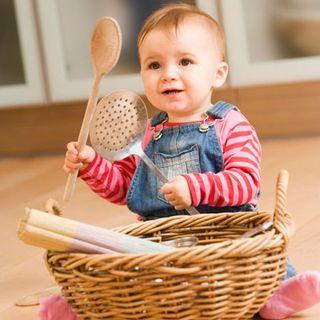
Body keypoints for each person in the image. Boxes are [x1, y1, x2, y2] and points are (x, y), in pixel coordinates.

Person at [40, 4, 320, 320]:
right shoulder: (146, 135)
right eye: (154, 65)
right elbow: (124, 189)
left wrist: (195, 187)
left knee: (262, 249)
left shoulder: (230, 125)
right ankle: (87, 305)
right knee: (118, 263)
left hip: (224, 239)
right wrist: (92, 166)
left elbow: (245, 184)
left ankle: (278, 294)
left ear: (218, 73)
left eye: (185, 61)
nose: (169, 73)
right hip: (159, 245)